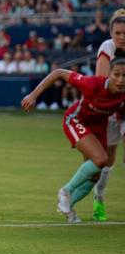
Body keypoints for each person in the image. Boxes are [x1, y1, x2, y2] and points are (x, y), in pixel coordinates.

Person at [21, 51, 125, 223]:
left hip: (99, 128)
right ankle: (66, 191)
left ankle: (68, 206)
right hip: (76, 120)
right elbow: (59, 73)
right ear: (109, 74)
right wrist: (33, 95)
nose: (121, 80)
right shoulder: (93, 84)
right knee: (101, 160)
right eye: (116, 74)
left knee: (94, 175)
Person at [91, 9, 125, 221]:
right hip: (111, 107)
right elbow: (102, 82)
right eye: (118, 33)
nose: (122, 37)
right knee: (108, 158)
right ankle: (99, 196)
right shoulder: (107, 48)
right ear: (111, 33)